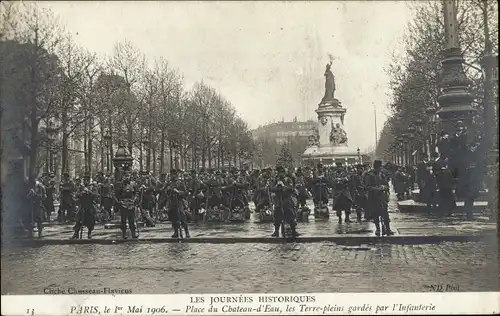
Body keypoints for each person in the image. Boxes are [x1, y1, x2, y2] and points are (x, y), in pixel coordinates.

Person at [364, 160, 394, 236]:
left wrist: (384, 187)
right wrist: (377, 189)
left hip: (382, 197)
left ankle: (388, 229)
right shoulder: (369, 175)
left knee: (385, 214)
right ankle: (378, 229)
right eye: (379, 167)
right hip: (374, 197)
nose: (380, 169)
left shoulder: (382, 174)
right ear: (375, 167)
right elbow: (367, 187)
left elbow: (386, 184)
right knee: (376, 214)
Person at [271, 166, 300, 237]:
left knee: (290, 216)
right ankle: (276, 231)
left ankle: (293, 230)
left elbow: (292, 188)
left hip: (287, 199)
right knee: (277, 216)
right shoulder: (276, 180)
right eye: (279, 172)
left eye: (282, 172)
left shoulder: (288, 180)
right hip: (278, 200)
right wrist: (277, 186)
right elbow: (272, 189)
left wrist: (284, 186)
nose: (281, 174)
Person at [166, 170, 190, 238]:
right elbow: (167, 194)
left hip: (179, 201)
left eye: (172, 174)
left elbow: (186, 192)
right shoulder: (170, 183)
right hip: (172, 202)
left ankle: (186, 232)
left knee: (182, 217)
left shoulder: (180, 182)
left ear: (175, 175)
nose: (171, 176)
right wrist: (168, 190)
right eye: (170, 174)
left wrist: (178, 192)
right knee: (173, 217)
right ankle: (176, 231)